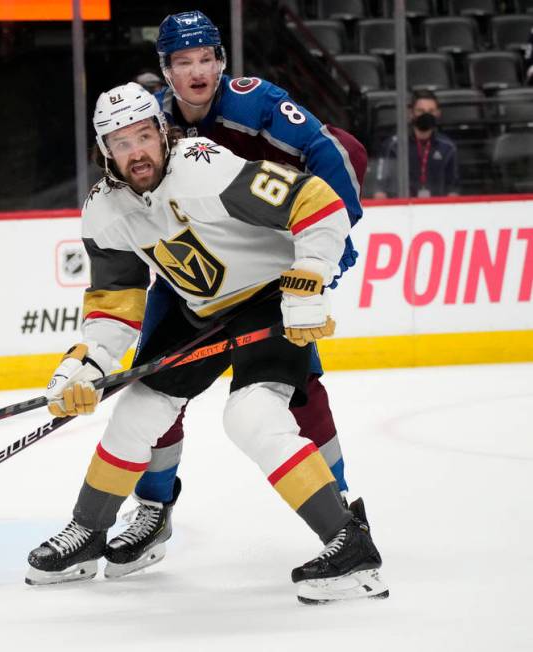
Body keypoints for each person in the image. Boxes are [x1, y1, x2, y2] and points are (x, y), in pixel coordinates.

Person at [26, 82, 388, 605]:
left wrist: (310, 274)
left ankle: (349, 546)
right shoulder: (104, 212)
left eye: (144, 135)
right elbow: (114, 302)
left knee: (252, 415)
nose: (137, 152)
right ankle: (88, 533)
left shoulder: (205, 168)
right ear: (105, 150)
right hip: (200, 310)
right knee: (137, 411)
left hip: (267, 296)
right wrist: (84, 364)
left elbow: (316, 201)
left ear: (162, 131)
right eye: (122, 143)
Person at [101, 10, 370, 579]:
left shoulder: (256, 104)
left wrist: (323, 256)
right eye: (183, 61)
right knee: (154, 383)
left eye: (206, 59)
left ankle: (341, 508)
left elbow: (337, 151)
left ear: (222, 61)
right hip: (189, 277)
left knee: (297, 388)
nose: (197, 72)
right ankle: (153, 509)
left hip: (267, 272)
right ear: (165, 70)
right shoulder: (149, 120)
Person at [372, 90, 460, 199]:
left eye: (431, 111)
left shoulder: (447, 147)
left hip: (437, 209)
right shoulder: (393, 145)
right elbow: (380, 190)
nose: (426, 115)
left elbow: (452, 189)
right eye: (421, 111)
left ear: (438, 113)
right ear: (411, 112)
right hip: (401, 208)